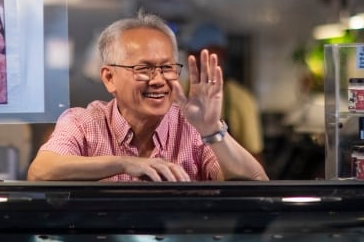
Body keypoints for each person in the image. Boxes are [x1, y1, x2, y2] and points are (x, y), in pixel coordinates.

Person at [27, 11, 267, 182]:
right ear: (109, 78)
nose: (159, 80)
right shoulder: (84, 123)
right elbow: (41, 171)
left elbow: (257, 181)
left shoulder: (192, 129)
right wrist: (123, 164)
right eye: (143, 69)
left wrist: (212, 130)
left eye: (166, 68)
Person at [181, 23, 265, 163]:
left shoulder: (242, 99)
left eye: (208, 56)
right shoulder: (175, 93)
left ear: (221, 56)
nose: (201, 63)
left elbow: (254, 156)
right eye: (194, 55)